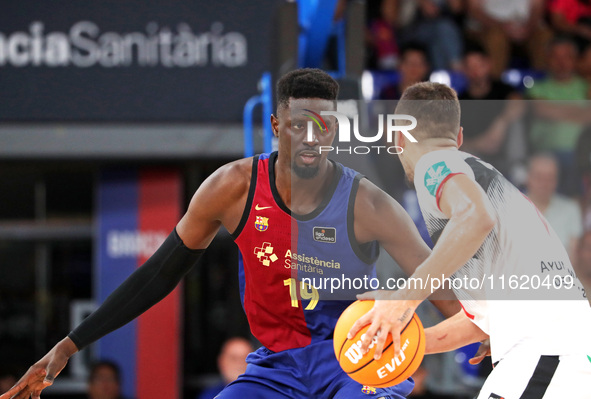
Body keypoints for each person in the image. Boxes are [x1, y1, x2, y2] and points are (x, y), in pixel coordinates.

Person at [1, 69, 460, 399]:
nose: (309, 136)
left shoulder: (368, 203)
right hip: (275, 369)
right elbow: (159, 273)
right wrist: (68, 345)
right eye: (298, 124)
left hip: (354, 361)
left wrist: (493, 336)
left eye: (322, 125)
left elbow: (441, 285)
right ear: (277, 126)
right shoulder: (232, 188)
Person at [348, 82, 591, 398]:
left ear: (399, 137)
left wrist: (401, 300)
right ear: (459, 137)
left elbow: (476, 216)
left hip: (545, 350)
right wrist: (402, 347)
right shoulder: (483, 179)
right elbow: (481, 319)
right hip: (556, 350)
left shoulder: (434, 165)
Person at [458, 44, 523, 173]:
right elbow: (455, 141)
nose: (475, 72)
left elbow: (519, 103)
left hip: (507, 154)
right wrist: (480, 143)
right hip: (478, 157)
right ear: (464, 70)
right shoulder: (459, 101)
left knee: (516, 123)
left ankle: (519, 172)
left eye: (479, 65)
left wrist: (501, 123)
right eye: (470, 67)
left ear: (488, 65)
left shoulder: (503, 90)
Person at [466, 0, 552, 77]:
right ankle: (496, 84)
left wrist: (528, 27)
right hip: (489, 25)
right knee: (496, 39)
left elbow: (538, 7)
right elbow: (474, 9)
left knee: (545, 37)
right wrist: (502, 26)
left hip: (526, 25)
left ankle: (542, 83)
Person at [526, 154, 583, 260]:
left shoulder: (571, 209)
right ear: (528, 177)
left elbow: (573, 256)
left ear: (557, 181)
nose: (544, 183)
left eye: (550, 178)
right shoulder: (508, 207)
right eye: (539, 177)